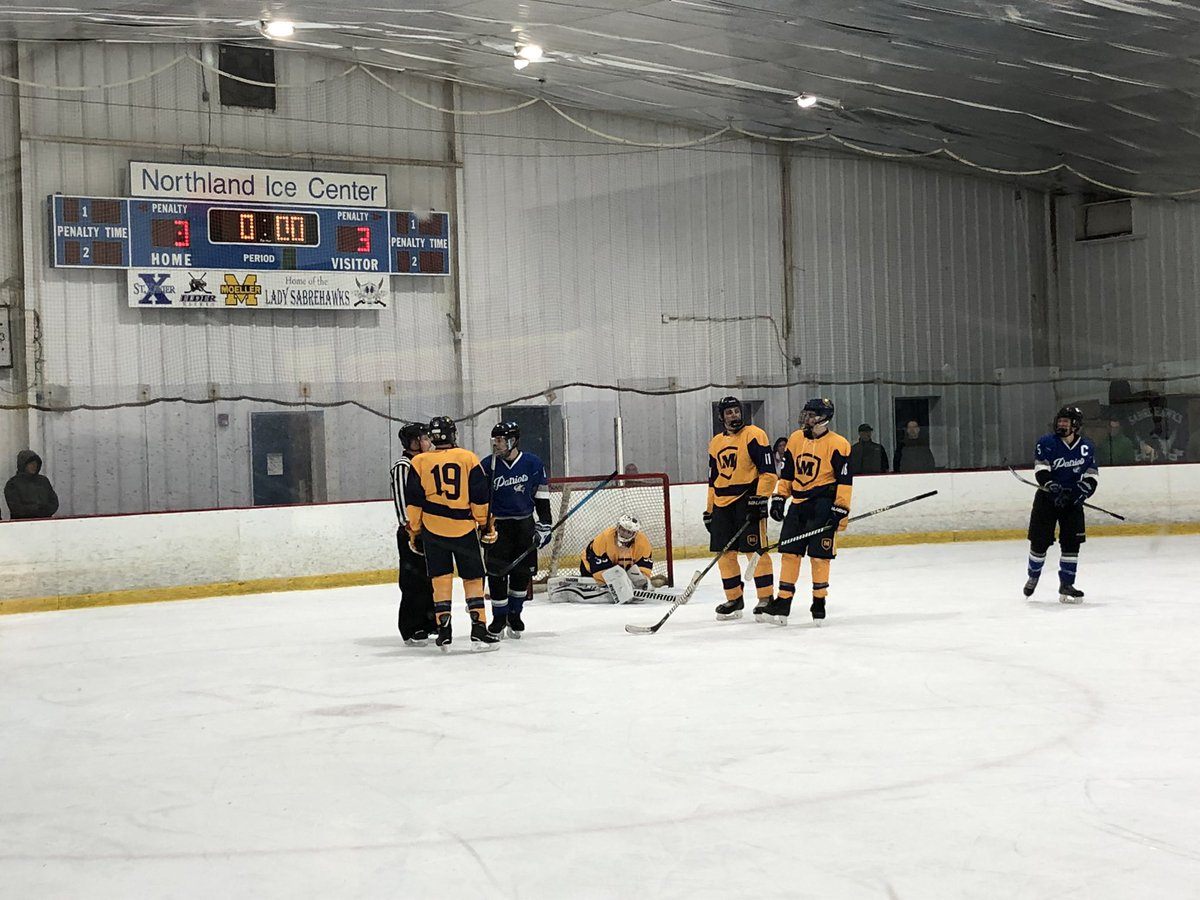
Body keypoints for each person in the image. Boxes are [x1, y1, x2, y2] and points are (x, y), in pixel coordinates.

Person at [404, 416, 499, 651]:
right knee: (473, 578)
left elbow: (414, 502)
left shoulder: (419, 462)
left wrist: (415, 530)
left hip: (433, 530)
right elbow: (479, 496)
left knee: (440, 579)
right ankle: (478, 629)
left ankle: (443, 630)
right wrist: (483, 524)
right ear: (453, 434)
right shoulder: (468, 458)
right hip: (463, 529)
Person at [760, 398, 853, 625]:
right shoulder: (795, 438)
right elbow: (788, 472)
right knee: (790, 553)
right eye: (807, 414)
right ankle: (783, 601)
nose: (807, 419)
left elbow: (845, 481)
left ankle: (819, 602)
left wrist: (840, 509)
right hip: (798, 504)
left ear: (824, 418)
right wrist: (780, 497)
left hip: (822, 504)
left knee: (819, 557)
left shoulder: (839, 444)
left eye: (812, 415)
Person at [704, 396, 777, 620]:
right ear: (721, 417)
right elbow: (713, 479)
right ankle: (734, 599)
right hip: (722, 505)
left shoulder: (754, 434)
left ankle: (766, 598)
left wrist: (759, 498)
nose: (734, 415)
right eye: (729, 413)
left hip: (747, 500)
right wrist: (709, 510)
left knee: (754, 550)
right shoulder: (716, 442)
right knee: (724, 553)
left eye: (736, 411)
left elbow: (769, 472)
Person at [480, 420, 552, 639]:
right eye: (495, 440)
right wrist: (482, 527)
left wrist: (545, 526)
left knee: (521, 575)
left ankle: (515, 614)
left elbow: (541, 497)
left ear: (513, 441)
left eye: (501, 440)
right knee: (496, 574)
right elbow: (480, 501)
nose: (497, 444)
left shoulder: (533, 463)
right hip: (497, 526)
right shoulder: (486, 465)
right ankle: (499, 617)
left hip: (524, 525)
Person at [1023, 406, 1099, 604]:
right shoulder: (1047, 442)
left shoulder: (1087, 447)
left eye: (1066, 421)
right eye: (1060, 420)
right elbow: (1041, 470)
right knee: (1039, 543)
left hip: (1072, 502)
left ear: (1076, 425)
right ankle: (1033, 575)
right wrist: (1052, 486)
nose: (1061, 424)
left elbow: (1092, 476)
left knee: (1072, 543)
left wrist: (1080, 492)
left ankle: (1067, 583)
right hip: (1047, 500)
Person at [389, 423, 437, 645]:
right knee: (413, 581)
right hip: (412, 532)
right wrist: (412, 529)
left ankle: (429, 622)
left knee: (431, 578)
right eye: (424, 438)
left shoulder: (428, 463)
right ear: (414, 442)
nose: (429, 441)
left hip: (431, 530)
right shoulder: (403, 466)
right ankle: (411, 627)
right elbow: (402, 504)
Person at [547, 515, 654, 603]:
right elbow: (598, 570)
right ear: (618, 527)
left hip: (622, 569)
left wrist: (641, 581)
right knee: (612, 580)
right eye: (623, 530)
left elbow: (644, 568)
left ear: (635, 534)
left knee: (631, 576)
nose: (625, 534)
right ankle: (573, 589)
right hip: (589, 567)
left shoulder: (642, 542)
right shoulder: (604, 538)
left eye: (629, 532)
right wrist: (619, 583)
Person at [5, 450, 60, 520]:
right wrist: (36, 509)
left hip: (45, 522)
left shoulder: (43, 481)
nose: (34, 466)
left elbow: (54, 502)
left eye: (36, 463)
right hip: (22, 525)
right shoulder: (13, 484)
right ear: (23, 465)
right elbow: (16, 508)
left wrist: (44, 511)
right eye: (31, 463)